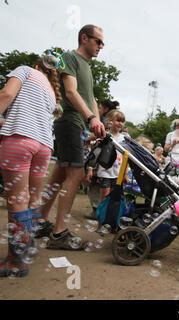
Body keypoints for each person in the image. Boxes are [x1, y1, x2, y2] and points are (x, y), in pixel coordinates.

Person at [34, 24, 106, 249]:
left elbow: (90, 97)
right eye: (98, 41)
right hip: (69, 123)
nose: (101, 46)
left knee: (58, 176)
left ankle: (40, 222)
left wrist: (97, 125)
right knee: (75, 176)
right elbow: (70, 92)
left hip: (78, 125)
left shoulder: (88, 66)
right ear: (84, 38)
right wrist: (90, 118)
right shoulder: (68, 57)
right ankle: (59, 233)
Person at [0, 53, 62, 277]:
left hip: (19, 141)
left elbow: (6, 94)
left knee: (17, 200)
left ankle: (15, 261)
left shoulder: (25, 70)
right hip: (44, 147)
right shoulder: (51, 91)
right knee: (32, 199)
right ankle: (28, 247)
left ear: (37, 64)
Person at [84, 99, 119, 220]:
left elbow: (93, 140)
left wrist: (87, 140)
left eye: (100, 107)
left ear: (105, 109)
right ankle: (102, 213)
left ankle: (97, 211)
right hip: (108, 165)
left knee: (94, 185)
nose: (98, 110)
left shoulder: (103, 122)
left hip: (101, 162)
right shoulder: (111, 122)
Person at [94, 110, 128, 203]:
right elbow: (95, 153)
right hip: (105, 172)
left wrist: (125, 174)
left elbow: (127, 157)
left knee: (113, 200)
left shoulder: (124, 139)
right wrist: (90, 169)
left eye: (122, 121)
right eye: (118, 120)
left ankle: (108, 217)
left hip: (118, 174)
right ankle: (101, 217)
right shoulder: (105, 135)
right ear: (110, 121)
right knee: (104, 200)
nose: (120, 123)